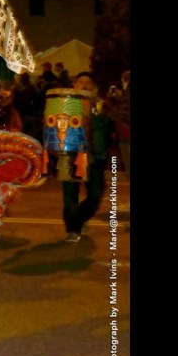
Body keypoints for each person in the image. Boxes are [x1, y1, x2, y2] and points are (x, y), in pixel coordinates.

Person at [62, 72, 114, 242]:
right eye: (80, 82)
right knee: (70, 194)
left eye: (88, 83)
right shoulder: (64, 105)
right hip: (70, 154)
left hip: (95, 157)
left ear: (95, 88)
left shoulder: (103, 107)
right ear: (74, 86)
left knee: (95, 195)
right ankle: (73, 229)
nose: (84, 85)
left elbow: (110, 127)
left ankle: (80, 217)